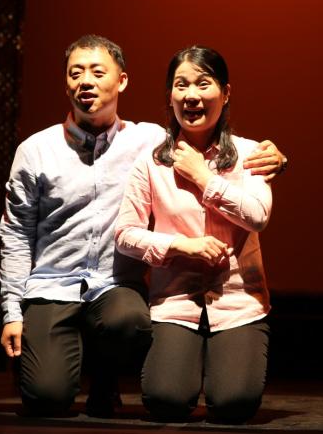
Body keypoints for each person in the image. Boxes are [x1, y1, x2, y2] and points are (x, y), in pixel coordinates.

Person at [0, 35, 286, 418]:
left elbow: (254, 207)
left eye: (97, 72)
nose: (86, 81)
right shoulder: (47, 150)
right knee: (49, 399)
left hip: (148, 291)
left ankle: (105, 376)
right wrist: (12, 311)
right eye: (75, 73)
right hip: (62, 286)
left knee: (139, 329)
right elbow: (17, 233)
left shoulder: (173, 144)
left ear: (122, 81)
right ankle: (62, 365)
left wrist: (273, 160)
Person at [115, 45, 273, 423]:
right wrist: (179, 245)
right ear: (169, 95)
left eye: (203, 84)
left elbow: (258, 216)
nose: (191, 95)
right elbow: (125, 233)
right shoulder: (151, 162)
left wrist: (204, 177)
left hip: (239, 303)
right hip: (176, 302)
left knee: (234, 404)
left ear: (226, 93)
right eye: (181, 85)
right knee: (165, 400)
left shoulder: (252, 154)